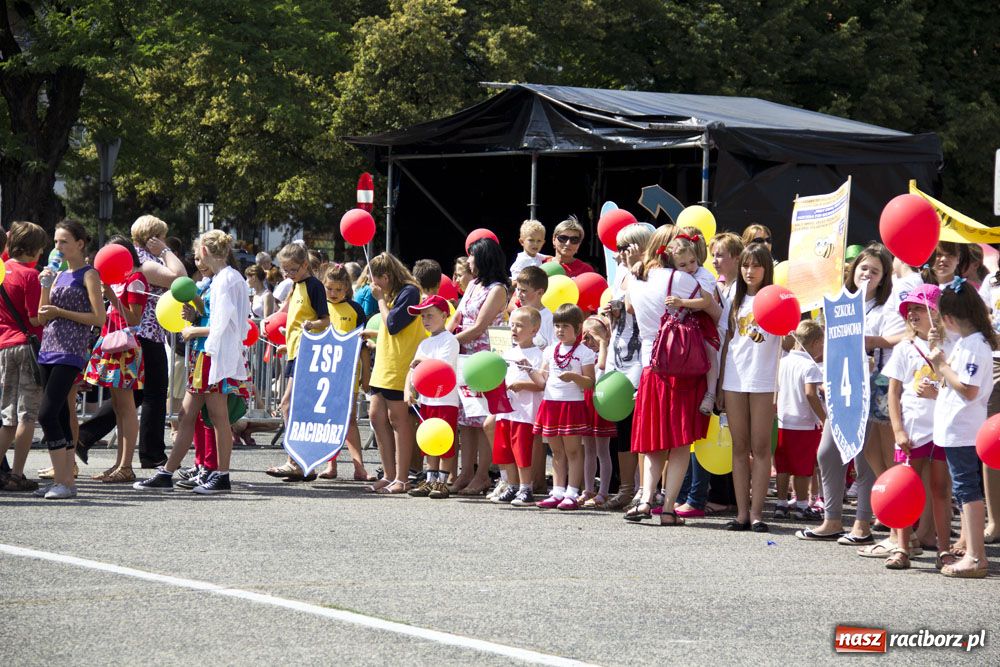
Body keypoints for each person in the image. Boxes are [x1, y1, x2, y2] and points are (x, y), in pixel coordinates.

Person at [133, 230, 251, 495]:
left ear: (206, 252)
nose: (198, 261)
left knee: (217, 417)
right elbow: (217, 319)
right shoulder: (221, 279)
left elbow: (225, 326)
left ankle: (221, 475)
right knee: (187, 415)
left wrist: (194, 330)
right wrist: (196, 317)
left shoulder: (226, 280)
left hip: (213, 355)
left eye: (198, 255)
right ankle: (168, 473)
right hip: (205, 355)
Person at [76, 215, 187, 468]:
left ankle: (86, 435)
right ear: (154, 237)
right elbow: (180, 278)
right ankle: (151, 453)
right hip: (144, 334)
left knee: (133, 396)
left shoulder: (132, 262)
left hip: (137, 335)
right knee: (153, 394)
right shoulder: (145, 263)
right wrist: (166, 250)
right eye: (162, 236)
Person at [623, 225, 706, 526]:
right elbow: (712, 307)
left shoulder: (636, 277)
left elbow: (629, 308)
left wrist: (634, 267)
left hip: (650, 364)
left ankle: (646, 499)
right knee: (680, 442)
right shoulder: (681, 279)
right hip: (680, 365)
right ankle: (668, 508)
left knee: (653, 440)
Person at [927, 278, 997, 578]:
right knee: (964, 488)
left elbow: (968, 389)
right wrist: (940, 364)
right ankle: (973, 553)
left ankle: (976, 556)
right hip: (957, 427)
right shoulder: (968, 343)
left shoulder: (973, 345)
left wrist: (942, 366)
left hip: (963, 429)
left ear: (949, 318)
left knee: (967, 489)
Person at [34, 220, 106, 499]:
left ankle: (63, 480)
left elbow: (98, 318)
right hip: (48, 348)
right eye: (56, 242)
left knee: (47, 414)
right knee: (62, 415)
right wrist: (45, 285)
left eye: (64, 241)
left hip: (70, 350)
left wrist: (61, 312)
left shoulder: (89, 274)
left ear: (80, 243)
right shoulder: (59, 274)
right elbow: (42, 316)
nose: (58, 246)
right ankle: (64, 481)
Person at [880, 284, 951, 569]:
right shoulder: (904, 348)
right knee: (905, 490)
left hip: (943, 431)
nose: (912, 313)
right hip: (912, 431)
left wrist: (938, 391)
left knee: (940, 489)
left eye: (919, 308)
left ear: (936, 313)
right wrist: (898, 429)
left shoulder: (951, 346)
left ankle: (943, 550)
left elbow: (958, 387)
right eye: (909, 309)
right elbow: (893, 391)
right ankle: (902, 547)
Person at [717, 242, 782, 532]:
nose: (749, 271)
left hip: (764, 379)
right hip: (734, 378)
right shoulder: (734, 297)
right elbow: (726, 341)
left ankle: (757, 513)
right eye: (745, 265)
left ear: (766, 268)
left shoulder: (776, 297)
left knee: (761, 446)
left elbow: (787, 339)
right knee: (739, 446)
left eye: (756, 265)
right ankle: (742, 513)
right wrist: (719, 383)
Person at [83, 237, 148, 483]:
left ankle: (126, 465)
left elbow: (134, 319)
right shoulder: (117, 280)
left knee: (126, 407)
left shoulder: (136, 279)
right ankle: (119, 464)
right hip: (111, 344)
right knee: (119, 407)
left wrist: (111, 295)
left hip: (125, 348)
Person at [448, 238, 509, 495]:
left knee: (482, 417)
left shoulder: (498, 289)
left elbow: (480, 326)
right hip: (463, 355)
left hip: (483, 358)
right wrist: (444, 337)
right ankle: (466, 472)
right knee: (465, 418)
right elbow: (458, 316)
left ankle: (483, 474)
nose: (469, 260)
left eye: (472, 256)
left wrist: (450, 342)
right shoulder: (473, 284)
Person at [265, 242, 330, 481]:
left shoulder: (314, 286)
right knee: (292, 406)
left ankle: (296, 461)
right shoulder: (296, 285)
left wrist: (311, 325)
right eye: (285, 270)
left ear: (304, 265)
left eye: (293, 269)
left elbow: (325, 319)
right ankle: (301, 463)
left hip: (307, 352)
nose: (289, 274)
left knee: (288, 404)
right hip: (294, 350)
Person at [601, 223, 653, 511]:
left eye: (624, 247)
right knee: (622, 425)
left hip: (641, 358)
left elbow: (636, 308)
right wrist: (610, 312)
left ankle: (645, 490)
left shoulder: (648, 274)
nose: (618, 253)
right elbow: (622, 312)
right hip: (619, 354)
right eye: (617, 248)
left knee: (640, 427)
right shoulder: (621, 273)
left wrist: (635, 269)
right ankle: (626, 488)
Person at [365, 252, 425, 494]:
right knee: (376, 416)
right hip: (384, 364)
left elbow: (392, 325)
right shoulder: (392, 293)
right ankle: (389, 474)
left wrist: (380, 300)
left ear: (386, 277)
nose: (372, 284)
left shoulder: (410, 292)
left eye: (375, 279)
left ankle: (402, 477)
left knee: (398, 420)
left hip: (400, 364)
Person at [528, 304, 595, 510]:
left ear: (578, 327)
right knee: (556, 451)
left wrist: (574, 377)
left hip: (572, 406)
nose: (560, 330)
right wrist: (529, 369)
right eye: (557, 326)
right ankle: (557, 491)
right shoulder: (549, 350)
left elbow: (589, 382)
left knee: (573, 451)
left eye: (565, 326)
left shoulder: (585, 352)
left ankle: (572, 493)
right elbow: (542, 380)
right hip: (550, 405)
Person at [0, 221, 46, 492]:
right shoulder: (31, 276)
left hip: (4, 345)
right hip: (26, 347)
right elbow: (35, 317)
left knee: (8, 415)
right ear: (35, 249)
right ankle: (17, 474)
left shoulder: (3, 270)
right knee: (27, 414)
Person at [847, 244, 897, 482]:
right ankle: (891, 495)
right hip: (853, 384)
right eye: (863, 268)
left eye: (874, 271)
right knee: (869, 451)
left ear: (883, 278)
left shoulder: (886, 307)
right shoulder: (844, 303)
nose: (867, 274)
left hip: (882, 382)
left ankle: (899, 497)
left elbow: (903, 336)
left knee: (888, 452)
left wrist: (870, 341)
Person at [316, 263, 369, 481]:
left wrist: (366, 375)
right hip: (324, 373)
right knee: (328, 419)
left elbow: (363, 346)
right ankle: (331, 465)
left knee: (349, 419)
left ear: (347, 287)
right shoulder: (319, 310)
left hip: (348, 373)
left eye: (338, 289)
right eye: (329, 288)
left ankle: (359, 468)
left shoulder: (355, 310)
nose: (334, 293)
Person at [404, 294, 460, 499]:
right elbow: (414, 369)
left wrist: (422, 361)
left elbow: (442, 366)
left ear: (444, 315)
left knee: (444, 439)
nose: (425, 320)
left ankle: (442, 481)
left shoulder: (450, 340)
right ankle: (430, 479)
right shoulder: (424, 343)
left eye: (430, 315)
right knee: (429, 438)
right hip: (427, 399)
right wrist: (409, 389)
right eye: (423, 316)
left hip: (445, 399)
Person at [664, 233, 722, 414]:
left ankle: (710, 394)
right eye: (683, 265)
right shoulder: (673, 276)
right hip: (683, 321)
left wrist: (681, 302)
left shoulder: (704, 275)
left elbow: (706, 302)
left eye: (692, 261)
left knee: (710, 350)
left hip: (702, 319)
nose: (690, 267)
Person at [774, 320, 825, 520]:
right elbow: (811, 394)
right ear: (815, 342)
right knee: (803, 468)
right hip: (804, 423)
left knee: (783, 466)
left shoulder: (783, 361)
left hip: (783, 420)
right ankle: (802, 505)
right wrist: (824, 418)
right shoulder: (810, 366)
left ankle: (780, 504)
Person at [494, 306, 545, 507]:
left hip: (524, 412)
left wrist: (523, 384)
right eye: (512, 325)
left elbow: (541, 384)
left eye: (520, 326)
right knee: (505, 449)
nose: (514, 329)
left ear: (534, 330)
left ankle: (526, 488)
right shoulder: (508, 352)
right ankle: (513, 485)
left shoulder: (538, 354)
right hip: (506, 410)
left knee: (521, 451)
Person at [580, 315, 615, 507]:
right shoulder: (585, 354)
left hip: (601, 402)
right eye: (586, 337)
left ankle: (603, 492)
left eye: (592, 337)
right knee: (589, 450)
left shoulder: (608, 353)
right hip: (587, 403)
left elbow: (601, 367)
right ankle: (588, 489)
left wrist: (602, 343)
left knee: (603, 450)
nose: (589, 342)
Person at [509, 219, 549, 283]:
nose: (535, 244)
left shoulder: (538, 256)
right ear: (522, 242)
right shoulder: (521, 260)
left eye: (539, 241)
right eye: (531, 240)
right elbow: (515, 282)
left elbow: (549, 257)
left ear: (543, 243)